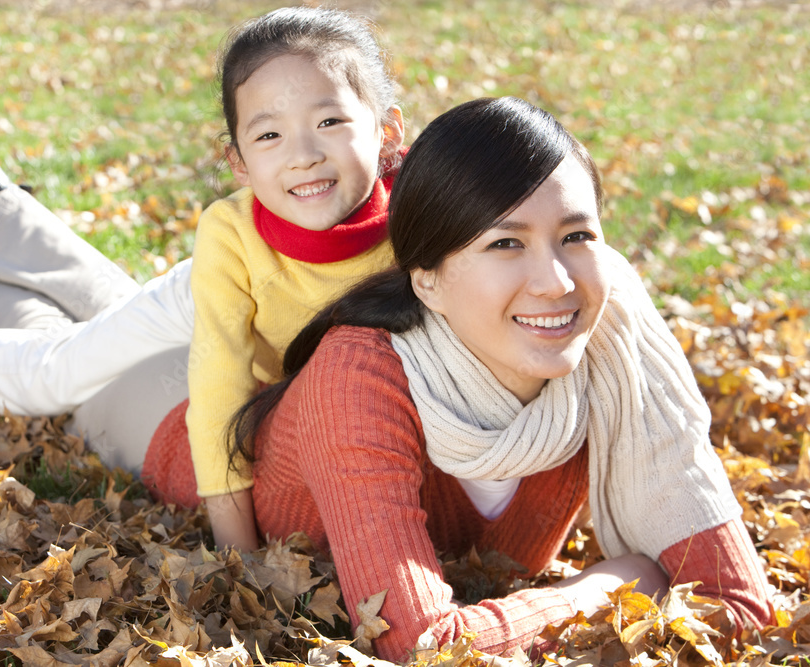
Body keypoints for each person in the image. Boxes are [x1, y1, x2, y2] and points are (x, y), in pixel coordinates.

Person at [141, 97, 773, 661]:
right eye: (505, 244)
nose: (557, 282)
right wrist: (612, 584)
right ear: (428, 280)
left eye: (576, 235)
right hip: (168, 430)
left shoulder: (612, 348)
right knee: (67, 350)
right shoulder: (359, 377)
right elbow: (418, 646)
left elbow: (742, 607)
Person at [0, 7, 406, 552]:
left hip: (272, 328)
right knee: (59, 372)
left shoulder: (425, 222)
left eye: (330, 120)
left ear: (387, 131)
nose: (302, 153)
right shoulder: (230, 233)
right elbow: (218, 392)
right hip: (219, 291)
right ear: (239, 163)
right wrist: (239, 555)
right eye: (270, 134)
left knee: (113, 345)